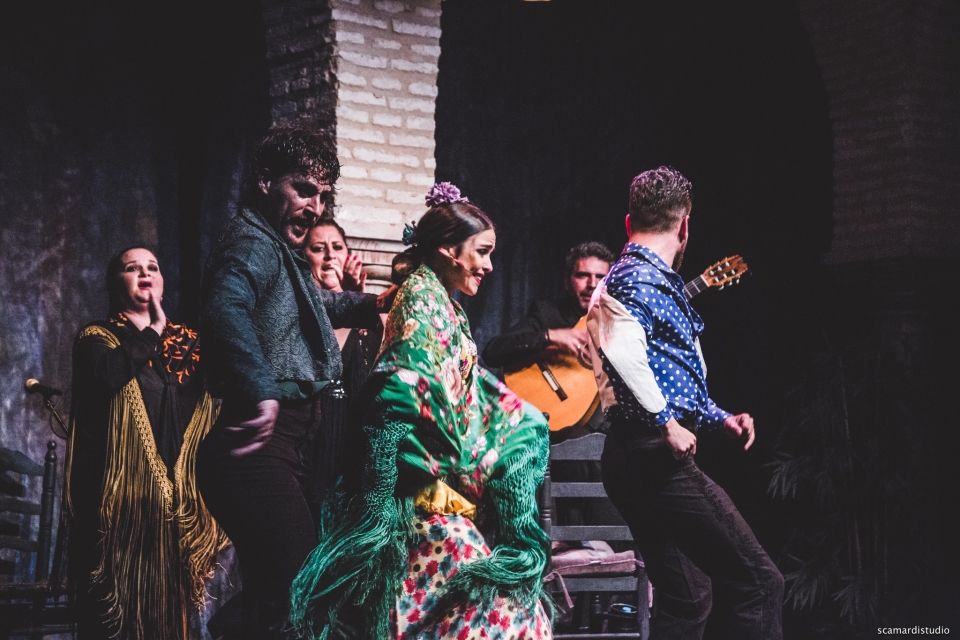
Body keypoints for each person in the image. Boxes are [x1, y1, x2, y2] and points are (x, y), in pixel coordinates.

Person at [289, 183, 553, 640]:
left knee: (501, 608)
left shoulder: (445, 304)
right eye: (483, 252)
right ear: (450, 250)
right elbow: (398, 391)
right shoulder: (420, 299)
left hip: (443, 497)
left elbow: (465, 392)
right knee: (500, 609)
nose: (490, 265)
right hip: (417, 506)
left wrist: (512, 424)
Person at [195, 125, 395, 639]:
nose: (315, 205)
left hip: (285, 448)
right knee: (301, 588)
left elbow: (317, 305)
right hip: (258, 452)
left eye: (323, 194)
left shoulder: (279, 250)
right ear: (265, 182)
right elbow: (224, 307)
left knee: (279, 596)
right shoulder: (253, 244)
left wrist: (373, 302)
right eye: (304, 189)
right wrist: (259, 388)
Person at [587, 166, 783, 639]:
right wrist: (664, 423)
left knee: (688, 599)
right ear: (686, 225)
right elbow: (621, 353)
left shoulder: (643, 279)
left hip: (634, 454)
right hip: (651, 454)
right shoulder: (635, 278)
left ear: (630, 224)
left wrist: (719, 418)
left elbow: (666, 373)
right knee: (761, 583)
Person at [65, 246, 228, 640]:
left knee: (172, 615)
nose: (144, 273)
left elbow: (218, 395)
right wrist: (153, 329)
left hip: (175, 504)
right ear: (115, 282)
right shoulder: (97, 338)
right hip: (119, 505)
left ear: (162, 280)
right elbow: (107, 377)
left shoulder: (190, 347)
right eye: (131, 268)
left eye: (152, 267)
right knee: (116, 616)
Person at [303, 217, 384, 506]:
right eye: (317, 248)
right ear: (302, 258)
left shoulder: (369, 319)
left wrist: (355, 298)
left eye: (337, 247)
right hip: (308, 453)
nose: (329, 255)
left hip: (355, 458)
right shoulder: (296, 317)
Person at [482, 241, 614, 374]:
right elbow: (492, 352)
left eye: (601, 278)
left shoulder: (618, 323)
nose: (592, 284)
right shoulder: (547, 313)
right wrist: (550, 336)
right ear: (567, 281)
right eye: (582, 275)